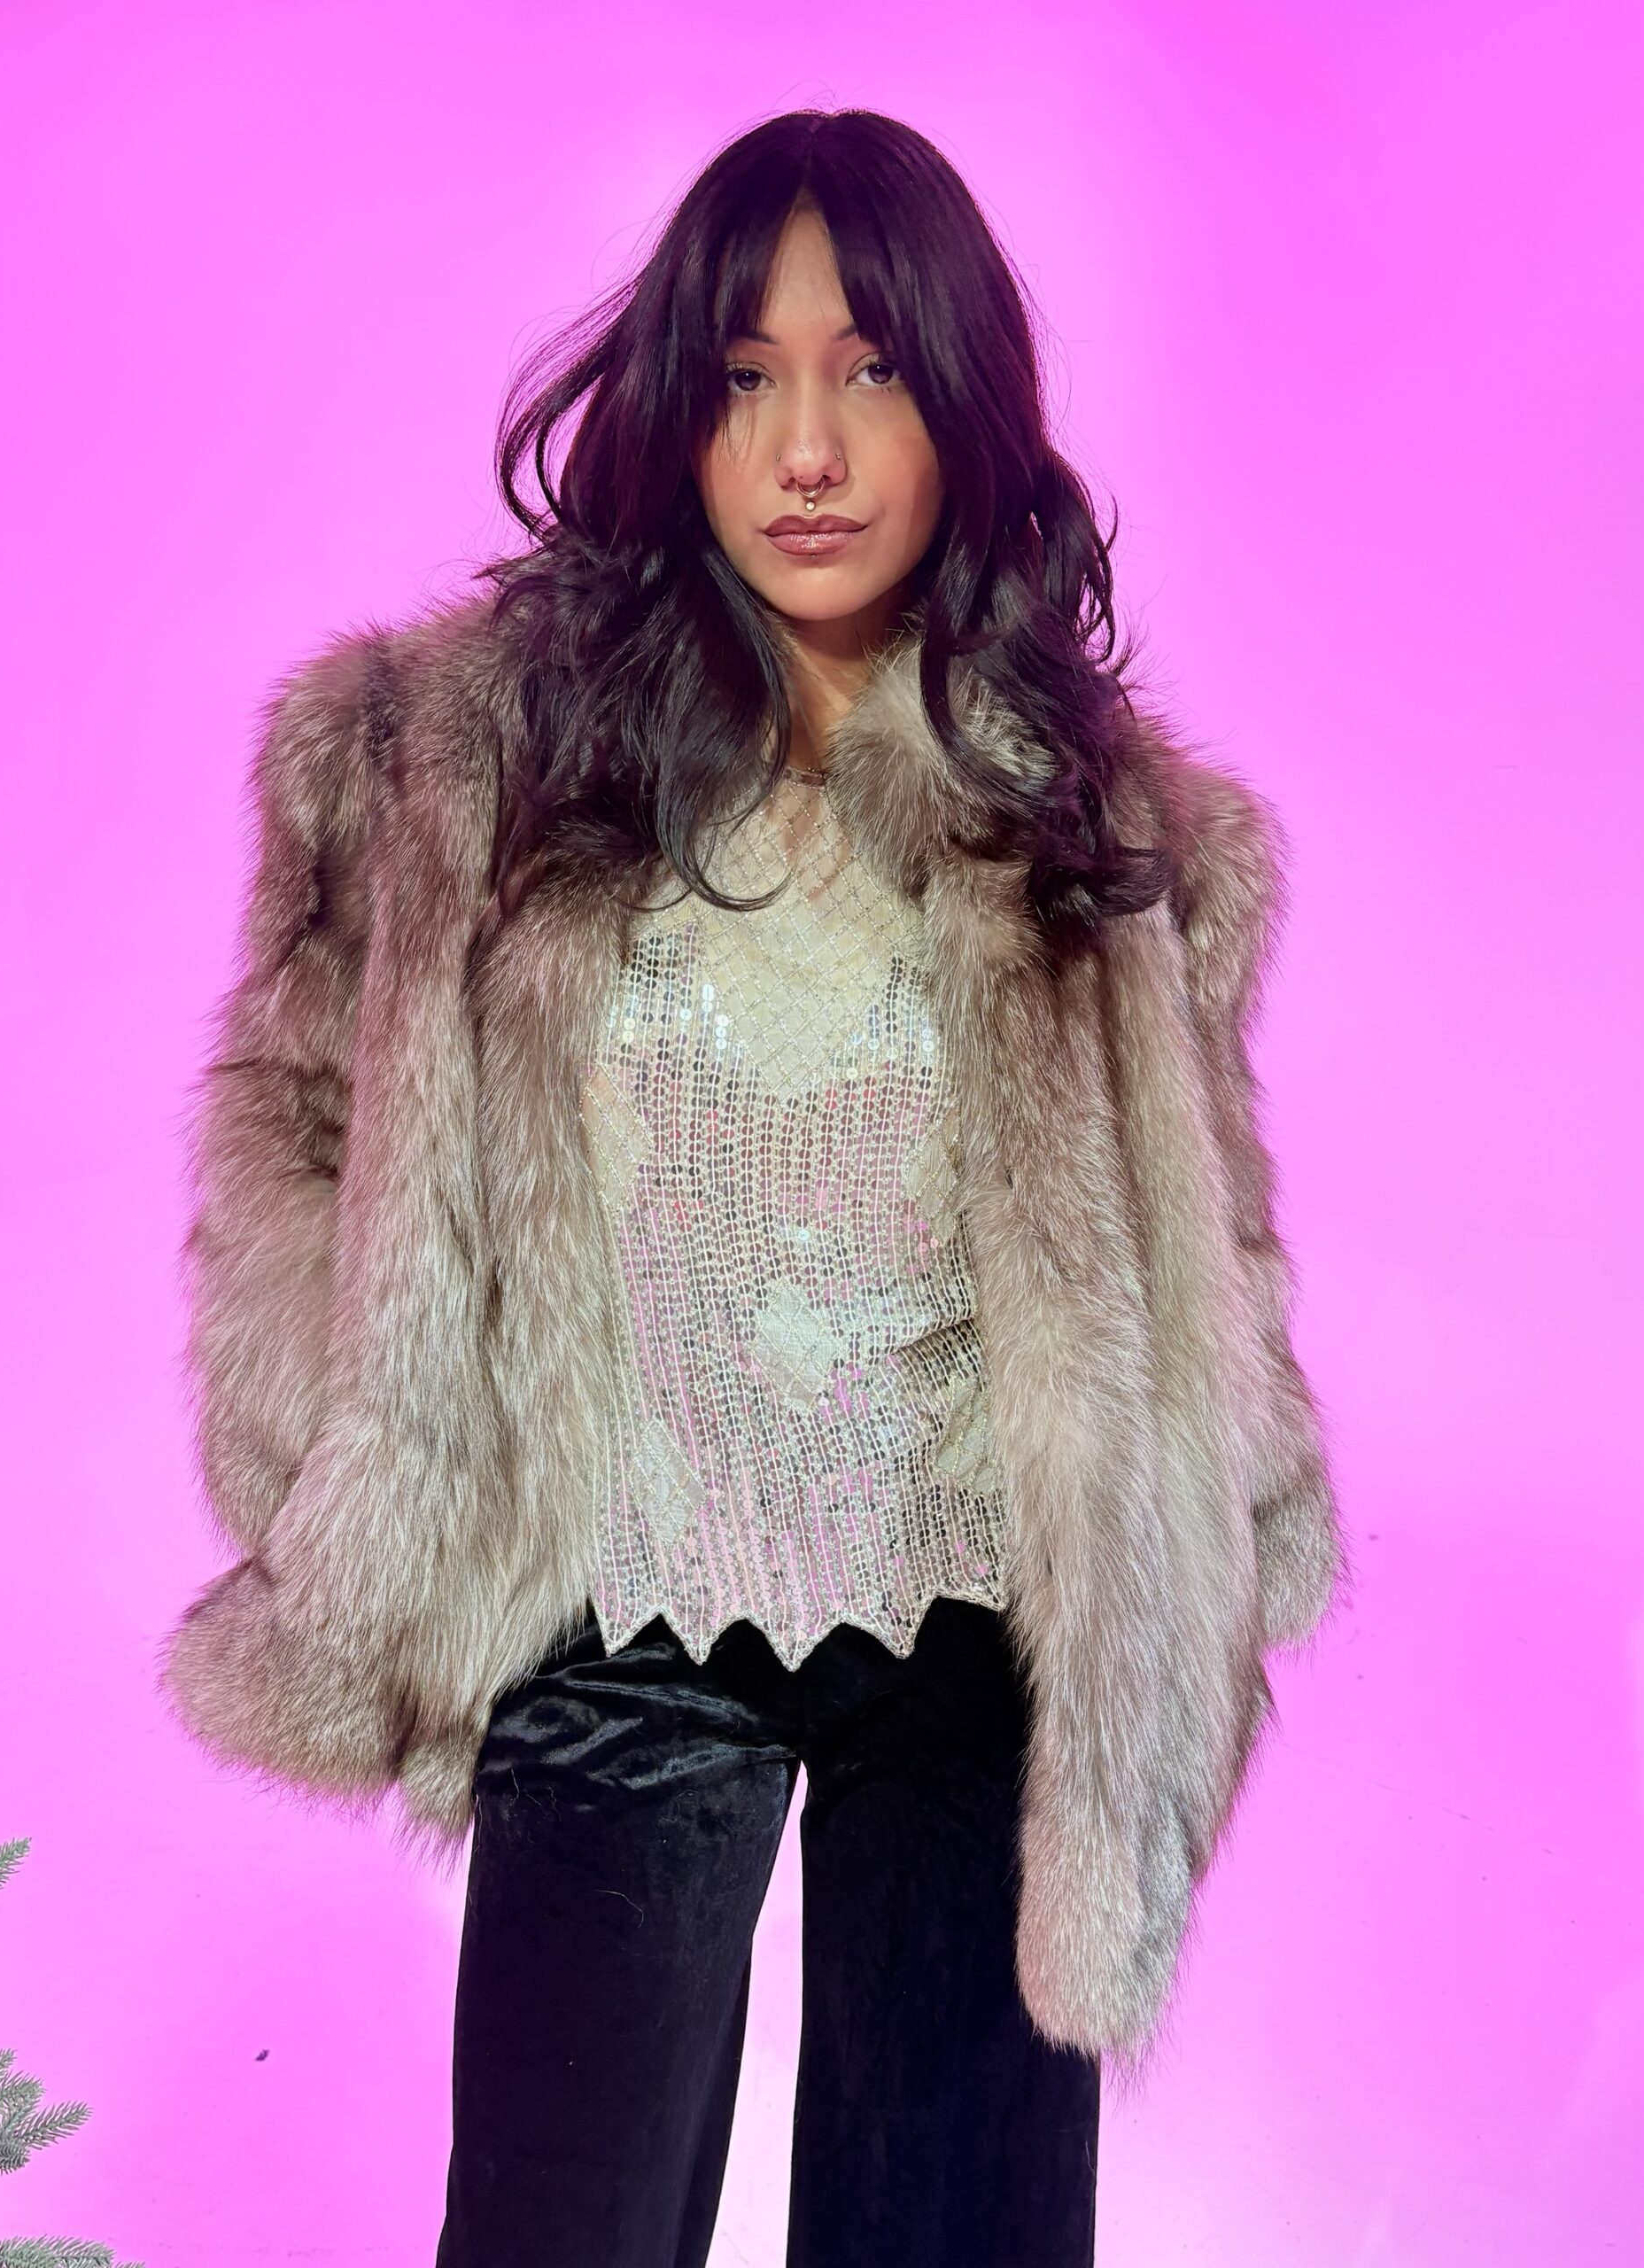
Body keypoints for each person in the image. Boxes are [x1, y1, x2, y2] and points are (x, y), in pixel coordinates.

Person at [159, 107, 1348, 2268]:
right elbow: (298, 1138)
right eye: (744, 375)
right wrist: (349, 1485)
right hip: (618, 1607)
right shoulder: (456, 768)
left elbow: (1204, 1257)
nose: (806, 446)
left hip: (977, 1630)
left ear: (962, 404)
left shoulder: (1110, 841)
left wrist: (1213, 1543)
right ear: (675, 408)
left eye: (870, 369)